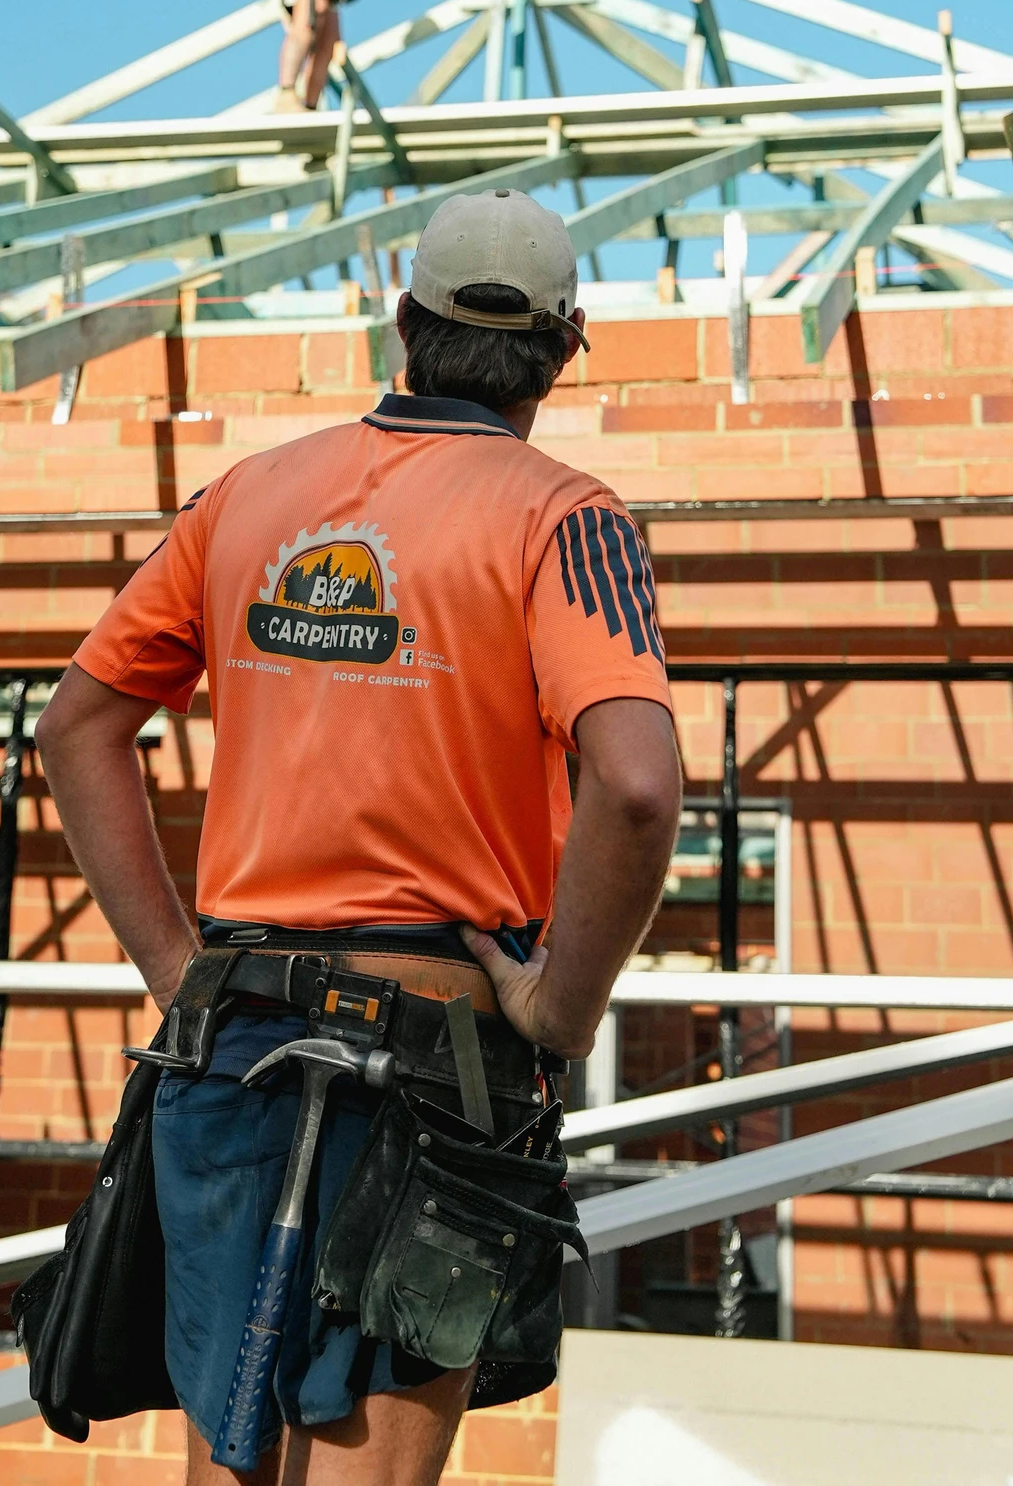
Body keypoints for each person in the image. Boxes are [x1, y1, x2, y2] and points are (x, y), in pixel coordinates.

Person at [35, 188, 682, 1486]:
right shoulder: (567, 516)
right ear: (565, 346)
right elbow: (636, 786)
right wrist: (558, 1009)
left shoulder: (247, 498)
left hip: (231, 1049)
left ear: (405, 323)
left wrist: (180, 974)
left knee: (231, 1458)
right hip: (438, 1070)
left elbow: (75, 729)